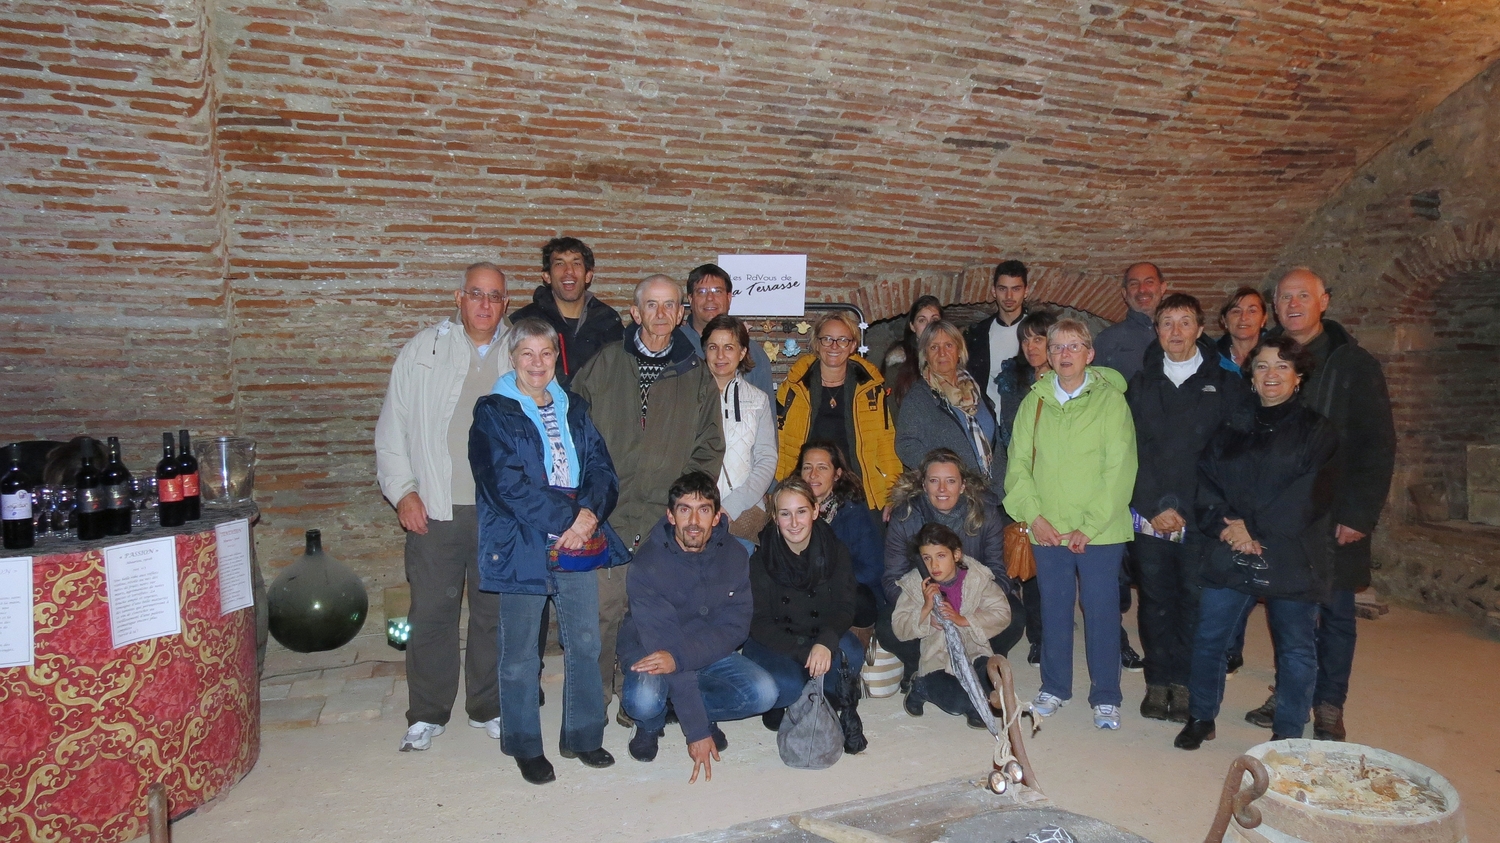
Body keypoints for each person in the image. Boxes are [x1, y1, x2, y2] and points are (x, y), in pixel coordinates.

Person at [469, 317, 630, 783]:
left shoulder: (574, 406)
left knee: (585, 640)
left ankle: (583, 736)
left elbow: (602, 468)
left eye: (545, 354)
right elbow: (504, 484)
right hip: (521, 539)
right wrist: (567, 520)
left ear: (555, 358)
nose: (537, 363)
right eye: (527, 354)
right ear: (513, 358)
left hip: (578, 538)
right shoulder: (493, 411)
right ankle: (523, 744)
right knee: (520, 651)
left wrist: (589, 516)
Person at [1241, 268, 1395, 742]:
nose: (1292, 304)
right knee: (1288, 613)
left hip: (1335, 512)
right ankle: (1289, 695)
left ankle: (1328, 704)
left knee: (1335, 615)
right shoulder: (1267, 357)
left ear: (1323, 301)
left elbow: (1377, 443)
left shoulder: (1353, 364)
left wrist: (1358, 514)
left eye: (1302, 296)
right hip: (1283, 514)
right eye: (1285, 296)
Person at [1174, 337, 1340, 750]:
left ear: (1298, 377)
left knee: (1295, 648)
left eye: (1282, 367)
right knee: (1210, 638)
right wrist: (1227, 527)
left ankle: (1287, 734)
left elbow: (1311, 495)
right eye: (1263, 366)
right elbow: (1207, 479)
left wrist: (1256, 529)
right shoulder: (1232, 425)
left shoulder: (1317, 430)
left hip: (1290, 550)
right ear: (1251, 375)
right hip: (1231, 545)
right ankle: (1201, 716)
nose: (1271, 375)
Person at [573, 275, 725, 725]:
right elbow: (573, 428)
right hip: (608, 514)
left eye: (670, 306)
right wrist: (586, 497)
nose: (662, 315)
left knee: (650, 614)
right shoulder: (604, 364)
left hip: (663, 518)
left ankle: (635, 695)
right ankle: (593, 698)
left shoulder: (694, 373)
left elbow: (709, 446)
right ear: (635, 313)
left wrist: (683, 507)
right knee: (601, 612)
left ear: (682, 314)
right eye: (652, 306)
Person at [375, 262, 510, 753]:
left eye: (495, 296)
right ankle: (427, 713)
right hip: (434, 506)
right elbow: (393, 428)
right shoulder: (424, 350)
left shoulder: (521, 352)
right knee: (432, 612)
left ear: (505, 304)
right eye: (476, 294)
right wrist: (404, 491)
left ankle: (488, 707)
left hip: (499, 512)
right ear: (459, 297)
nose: (484, 305)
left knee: (492, 615)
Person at [1004, 318, 1137, 731]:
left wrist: (1091, 526)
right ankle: (1055, 687)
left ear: (1089, 354)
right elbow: (1018, 466)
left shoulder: (1111, 402)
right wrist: (1035, 518)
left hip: (1100, 530)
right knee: (1054, 610)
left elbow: (1120, 468)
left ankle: (1106, 697)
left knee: (1101, 612)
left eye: (1073, 347)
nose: (1064, 354)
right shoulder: (1035, 402)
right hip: (1048, 529)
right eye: (1057, 347)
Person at [1126, 294, 1253, 724]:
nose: (1175, 331)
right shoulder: (1141, 384)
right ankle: (1156, 680)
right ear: (1156, 330)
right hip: (1149, 514)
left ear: (1200, 329)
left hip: (1201, 516)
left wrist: (1197, 507)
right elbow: (1131, 451)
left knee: (1192, 600)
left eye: (1184, 322)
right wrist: (1152, 505)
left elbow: (1232, 456)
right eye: (1167, 322)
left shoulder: (1227, 384)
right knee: (1155, 599)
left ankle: (1182, 683)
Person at [616, 471, 779, 778]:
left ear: (717, 516)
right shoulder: (647, 564)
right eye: (684, 510)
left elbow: (735, 628)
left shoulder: (734, 555)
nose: (694, 521)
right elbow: (665, 648)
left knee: (764, 692)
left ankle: (688, 706)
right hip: (653, 648)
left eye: (704, 510)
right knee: (643, 701)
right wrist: (697, 731)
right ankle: (651, 725)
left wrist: (681, 662)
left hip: (704, 650)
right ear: (670, 515)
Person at [879, 449, 1025, 690]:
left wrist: (971, 608)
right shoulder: (905, 517)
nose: (942, 489)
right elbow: (892, 578)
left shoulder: (985, 514)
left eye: (950, 481)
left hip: (973, 596)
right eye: (934, 481)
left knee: (1014, 616)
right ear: (924, 486)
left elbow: (998, 570)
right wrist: (926, 610)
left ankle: (985, 665)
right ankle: (922, 670)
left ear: (963, 485)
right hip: (925, 599)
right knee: (887, 625)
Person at [742, 477, 868, 754]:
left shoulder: (835, 551)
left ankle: (816, 698)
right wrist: (804, 652)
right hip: (776, 642)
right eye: (785, 514)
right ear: (775, 517)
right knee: (786, 685)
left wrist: (825, 641)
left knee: (852, 652)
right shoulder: (760, 560)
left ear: (815, 511)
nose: (794, 522)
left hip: (817, 632)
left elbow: (845, 605)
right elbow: (758, 623)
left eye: (801, 511)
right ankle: (800, 696)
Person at [776, 310, 902, 510]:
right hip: (808, 491)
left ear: (853, 345)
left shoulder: (870, 388)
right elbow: (781, 443)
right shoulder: (794, 387)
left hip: (861, 491)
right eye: (827, 339)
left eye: (843, 340)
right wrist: (780, 487)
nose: (834, 346)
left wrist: (893, 493)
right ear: (817, 344)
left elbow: (886, 443)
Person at [892, 523, 1013, 728]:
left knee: (991, 683)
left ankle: (976, 706)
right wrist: (926, 611)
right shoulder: (915, 583)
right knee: (959, 703)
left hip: (974, 652)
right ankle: (921, 686)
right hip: (938, 659)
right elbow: (899, 626)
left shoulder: (977, 577)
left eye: (941, 556)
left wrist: (963, 620)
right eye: (926, 558)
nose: (934, 566)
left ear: (956, 555)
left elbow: (1002, 613)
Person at [994, 309, 1057, 667]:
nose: (1031, 346)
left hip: (1055, 481)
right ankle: (1023, 631)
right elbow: (1006, 431)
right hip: (1017, 477)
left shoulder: (1067, 380)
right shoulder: (1012, 376)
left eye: (1039, 338)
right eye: (1026, 338)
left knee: (1046, 567)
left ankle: (1043, 636)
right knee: (1021, 559)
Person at [895, 320, 1003, 500]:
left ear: (959, 351)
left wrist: (1002, 483)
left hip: (991, 495)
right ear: (925, 355)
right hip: (950, 499)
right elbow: (906, 445)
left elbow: (995, 441)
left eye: (948, 345)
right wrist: (944, 475)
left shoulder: (974, 389)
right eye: (934, 347)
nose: (942, 353)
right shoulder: (920, 397)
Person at [701, 314, 778, 552]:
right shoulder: (686, 395)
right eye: (713, 347)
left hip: (741, 516)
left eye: (729, 347)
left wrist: (731, 507)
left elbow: (766, 460)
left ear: (742, 352)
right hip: (695, 515)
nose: (720, 355)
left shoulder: (758, 400)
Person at [509, 237, 624, 387]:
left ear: (588, 275)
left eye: (576, 263)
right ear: (547, 276)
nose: (568, 271)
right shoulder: (524, 321)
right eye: (559, 263)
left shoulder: (609, 323)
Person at [799, 441, 884, 621]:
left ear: (837, 474)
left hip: (841, 592)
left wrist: (831, 582)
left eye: (822, 467)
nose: (813, 475)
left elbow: (873, 569)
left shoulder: (853, 512)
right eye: (807, 467)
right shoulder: (788, 508)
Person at [679, 264, 775, 397]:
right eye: (701, 292)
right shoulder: (674, 345)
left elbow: (766, 412)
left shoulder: (753, 353)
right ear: (690, 299)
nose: (710, 298)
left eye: (717, 291)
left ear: (729, 298)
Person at [964, 259, 1031, 417]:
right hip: (988, 422)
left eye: (1016, 289)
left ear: (1026, 291)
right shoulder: (978, 335)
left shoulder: (1038, 333)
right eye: (1003, 289)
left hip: (1028, 420)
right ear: (994, 291)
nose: (1009, 295)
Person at [1094, 262, 1166, 380]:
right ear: (1125, 293)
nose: (1142, 289)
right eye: (1134, 284)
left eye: (1149, 282)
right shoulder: (1107, 339)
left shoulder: (1183, 336)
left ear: (1162, 288)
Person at [883, 295, 943, 416]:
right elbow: (894, 413)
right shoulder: (898, 365)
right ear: (912, 326)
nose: (929, 326)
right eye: (922, 320)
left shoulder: (952, 358)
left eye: (934, 320)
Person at [1216, 286, 1269, 374]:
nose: (1243, 318)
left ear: (1264, 318)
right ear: (1224, 320)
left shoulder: (1279, 353)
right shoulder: (1209, 356)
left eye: (1252, 311)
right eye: (1236, 311)